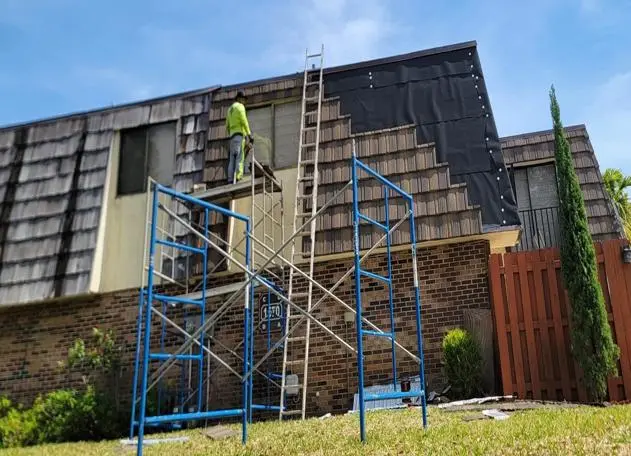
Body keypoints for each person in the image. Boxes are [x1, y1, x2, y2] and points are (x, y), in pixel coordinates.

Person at [225, 90, 253, 184]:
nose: (244, 102)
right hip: (239, 136)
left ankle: (230, 179)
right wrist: (249, 135)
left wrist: (231, 133)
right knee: (240, 157)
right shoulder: (240, 107)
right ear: (240, 99)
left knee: (232, 159)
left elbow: (227, 125)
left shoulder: (230, 109)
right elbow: (244, 121)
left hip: (232, 137)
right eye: (244, 99)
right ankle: (238, 177)